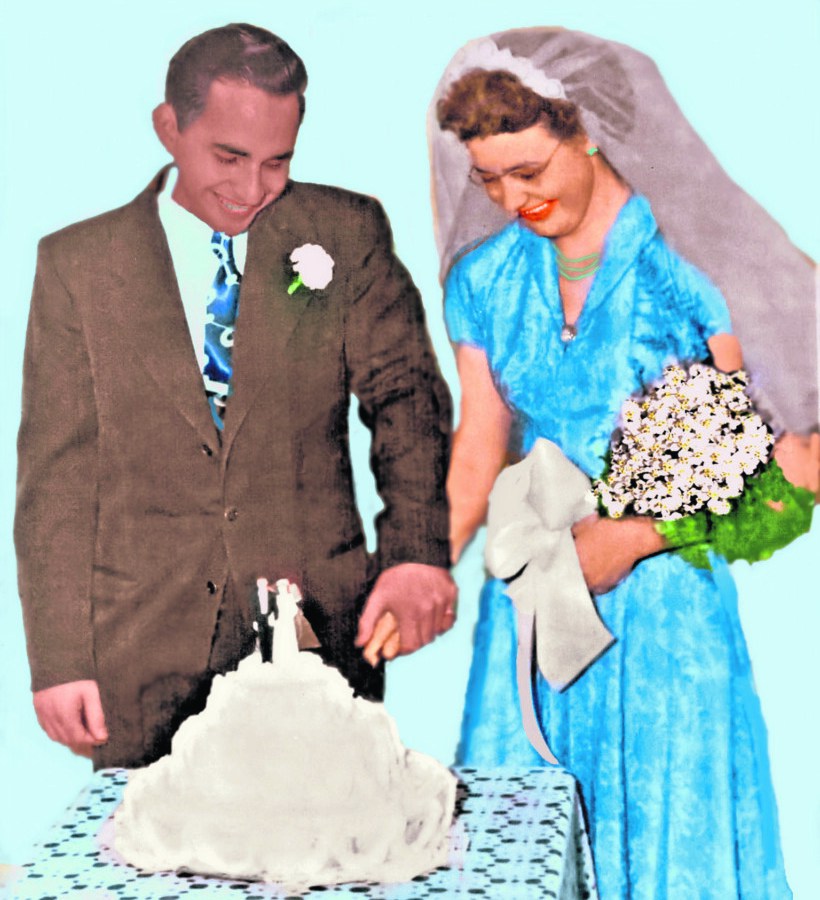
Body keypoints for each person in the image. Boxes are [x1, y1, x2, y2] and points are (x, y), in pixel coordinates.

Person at [431, 28, 818, 899]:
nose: (511, 198)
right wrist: (418, 571)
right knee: (515, 854)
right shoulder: (485, 281)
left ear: (590, 133)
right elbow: (478, 446)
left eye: (529, 171)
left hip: (666, 625)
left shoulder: (700, 266)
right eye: (488, 179)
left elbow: (798, 463)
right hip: (531, 615)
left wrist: (637, 536)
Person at [15, 23, 455, 771]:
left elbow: (407, 400)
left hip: (317, 638)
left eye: (277, 161)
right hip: (140, 657)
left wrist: (416, 554)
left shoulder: (345, 232)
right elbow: (57, 478)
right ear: (169, 128)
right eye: (229, 157)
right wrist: (59, 660)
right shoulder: (78, 265)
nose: (253, 190)